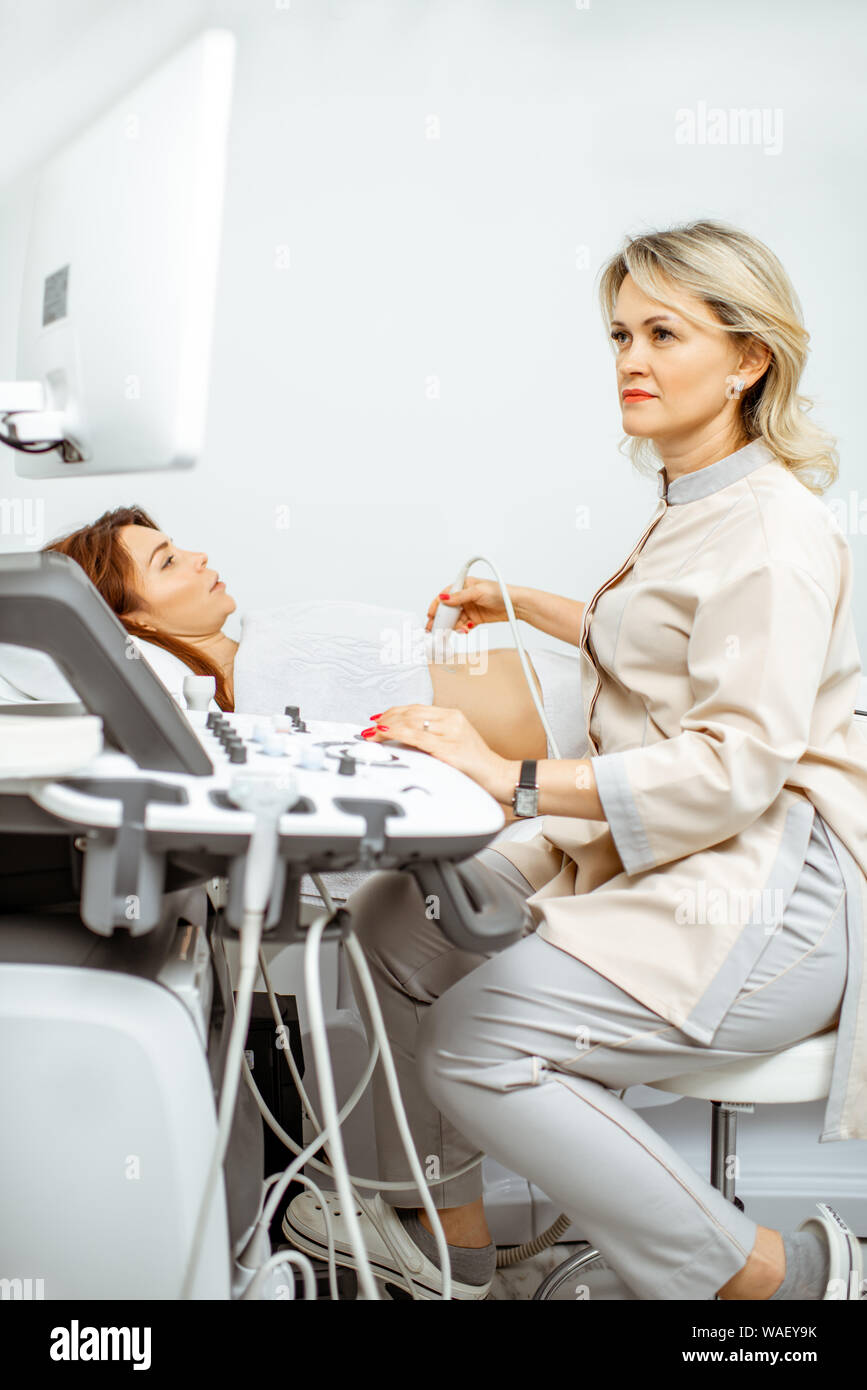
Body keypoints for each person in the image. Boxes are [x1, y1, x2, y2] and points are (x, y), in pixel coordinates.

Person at [281, 218, 867, 1301]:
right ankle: (449, 1244)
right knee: (385, 926)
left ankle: (778, 1279)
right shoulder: (696, 504)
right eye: (619, 335)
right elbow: (637, 628)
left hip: (767, 893)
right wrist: (511, 604)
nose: (632, 361)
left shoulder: (776, 535)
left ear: (749, 359)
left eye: (664, 333)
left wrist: (502, 779)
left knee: (477, 1037)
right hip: (665, 845)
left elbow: (732, 767)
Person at [40, 506, 587, 824]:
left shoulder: (271, 632)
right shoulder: (248, 720)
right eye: (168, 562)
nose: (198, 556)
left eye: (178, 547)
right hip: (581, 757)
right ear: (137, 625)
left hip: (592, 691)